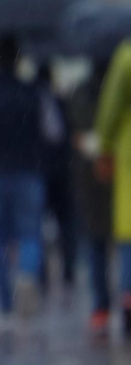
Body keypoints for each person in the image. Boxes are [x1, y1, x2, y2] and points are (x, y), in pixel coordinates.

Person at [0, 35, 60, 321]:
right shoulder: (35, 92)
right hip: (29, 171)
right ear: (19, 59)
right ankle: (27, 275)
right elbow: (54, 132)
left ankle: (5, 303)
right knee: (29, 231)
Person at [69, 56, 114, 334]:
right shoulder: (118, 89)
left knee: (96, 241)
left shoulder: (80, 92)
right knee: (122, 241)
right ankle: (124, 298)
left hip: (88, 175)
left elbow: (74, 132)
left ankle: (100, 307)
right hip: (119, 171)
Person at [94, 40, 131, 338]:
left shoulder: (126, 56)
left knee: (129, 228)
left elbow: (111, 107)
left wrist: (104, 145)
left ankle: (129, 295)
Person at [35, 60, 76, 294]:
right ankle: (67, 270)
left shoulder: (30, 100)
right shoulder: (61, 103)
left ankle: (42, 276)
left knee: (38, 226)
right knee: (65, 225)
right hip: (61, 172)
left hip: (41, 172)